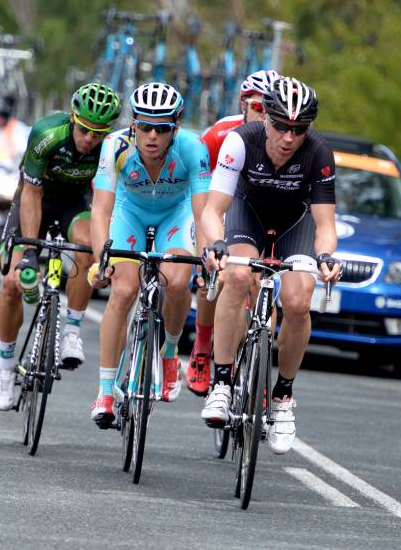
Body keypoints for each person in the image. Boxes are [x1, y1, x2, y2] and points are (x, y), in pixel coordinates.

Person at [199, 77, 341, 454]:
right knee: (239, 274)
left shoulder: (319, 153)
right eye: (280, 125)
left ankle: (283, 395)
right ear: (265, 119)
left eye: (298, 129)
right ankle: (223, 381)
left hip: (295, 224)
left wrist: (326, 257)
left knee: (298, 300)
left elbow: (325, 225)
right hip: (248, 217)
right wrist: (216, 243)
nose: (289, 137)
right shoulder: (239, 141)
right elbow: (214, 210)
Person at [0, 83, 121, 410]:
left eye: (99, 132)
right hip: (37, 200)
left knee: (87, 246)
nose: (90, 138)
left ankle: (72, 331)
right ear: (73, 118)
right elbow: (30, 195)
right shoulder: (48, 133)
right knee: (10, 284)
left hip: (75, 203)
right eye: (85, 129)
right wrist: (30, 253)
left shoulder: (112, 149)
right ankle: (5, 369)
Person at [89, 82, 211, 428]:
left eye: (162, 127)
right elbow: (100, 211)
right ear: (133, 125)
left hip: (176, 214)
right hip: (131, 214)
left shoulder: (192, 148)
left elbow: (203, 214)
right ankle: (105, 392)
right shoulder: (115, 146)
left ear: (176, 127)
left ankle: (170, 351)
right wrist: (102, 259)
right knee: (124, 290)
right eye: (145, 126)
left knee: (178, 280)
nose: (152, 135)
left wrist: (204, 260)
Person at [185, 69, 281, 396]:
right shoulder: (220, 134)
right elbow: (201, 194)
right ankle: (202, 345)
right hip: (223, 207)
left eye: (274, 109)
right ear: (244, 103)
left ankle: (259, 368)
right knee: (216, 275)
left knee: (263, 281)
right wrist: (205, 247)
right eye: (259, 108)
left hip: (263, 214)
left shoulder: (286, 138)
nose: (266, 117)